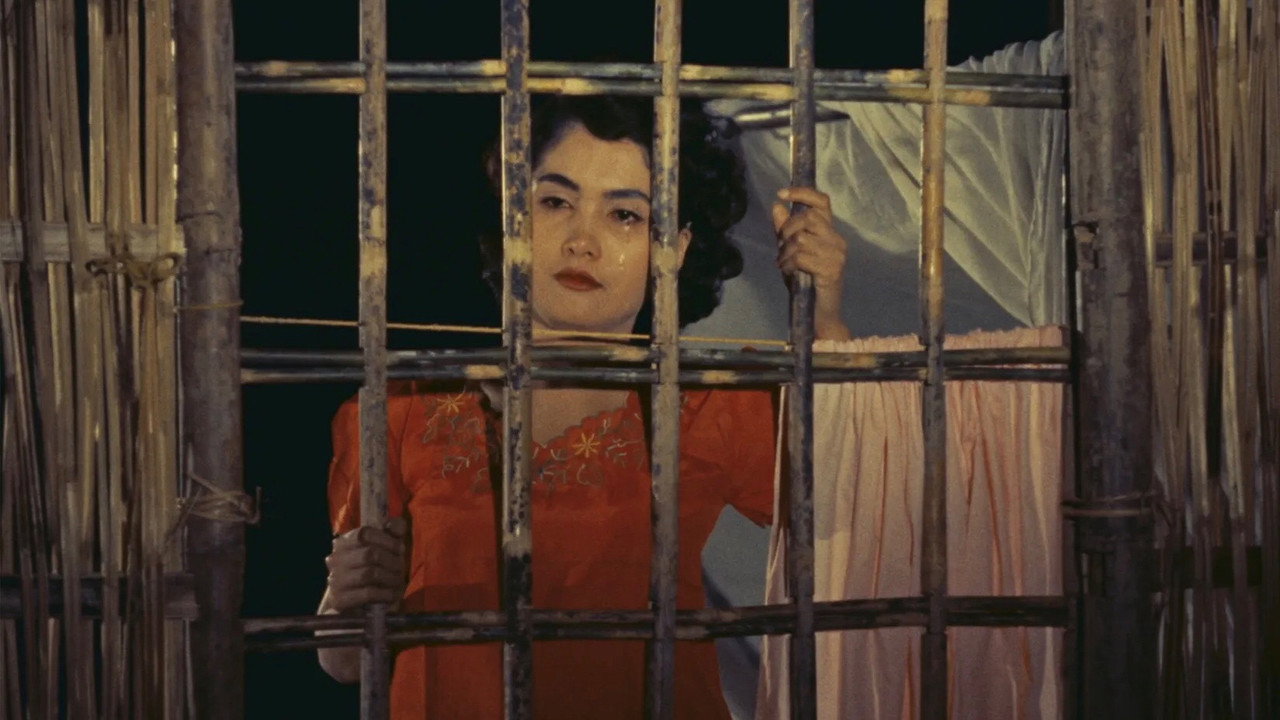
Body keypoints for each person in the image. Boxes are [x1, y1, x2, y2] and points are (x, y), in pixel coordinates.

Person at [317, 95, 850, 719]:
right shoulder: (404, 407)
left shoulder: (706, 405)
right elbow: (345, 661)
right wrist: (346, 597)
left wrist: (823, 314)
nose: (582, 241)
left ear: (673, 249)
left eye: (624, 215)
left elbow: (844, 498)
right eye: (555, 202)